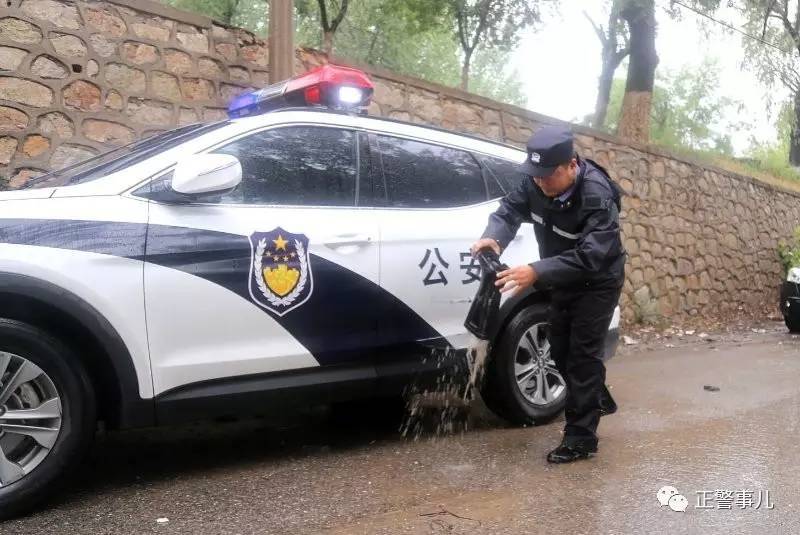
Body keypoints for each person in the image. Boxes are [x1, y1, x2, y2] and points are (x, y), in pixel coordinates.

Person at [471, 125, 626, 463]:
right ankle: (595, 395)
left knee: (582, 357)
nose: (540, 183)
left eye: (548, 176)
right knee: (558, 349)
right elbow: (509, 211)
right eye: (536, 175)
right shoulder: (536, 183)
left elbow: (592, 256)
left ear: (571, 165)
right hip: (562, 279)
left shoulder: (597, 196)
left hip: (598, 281)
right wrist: (493, 237)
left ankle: (581, 439)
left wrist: (537, 271)